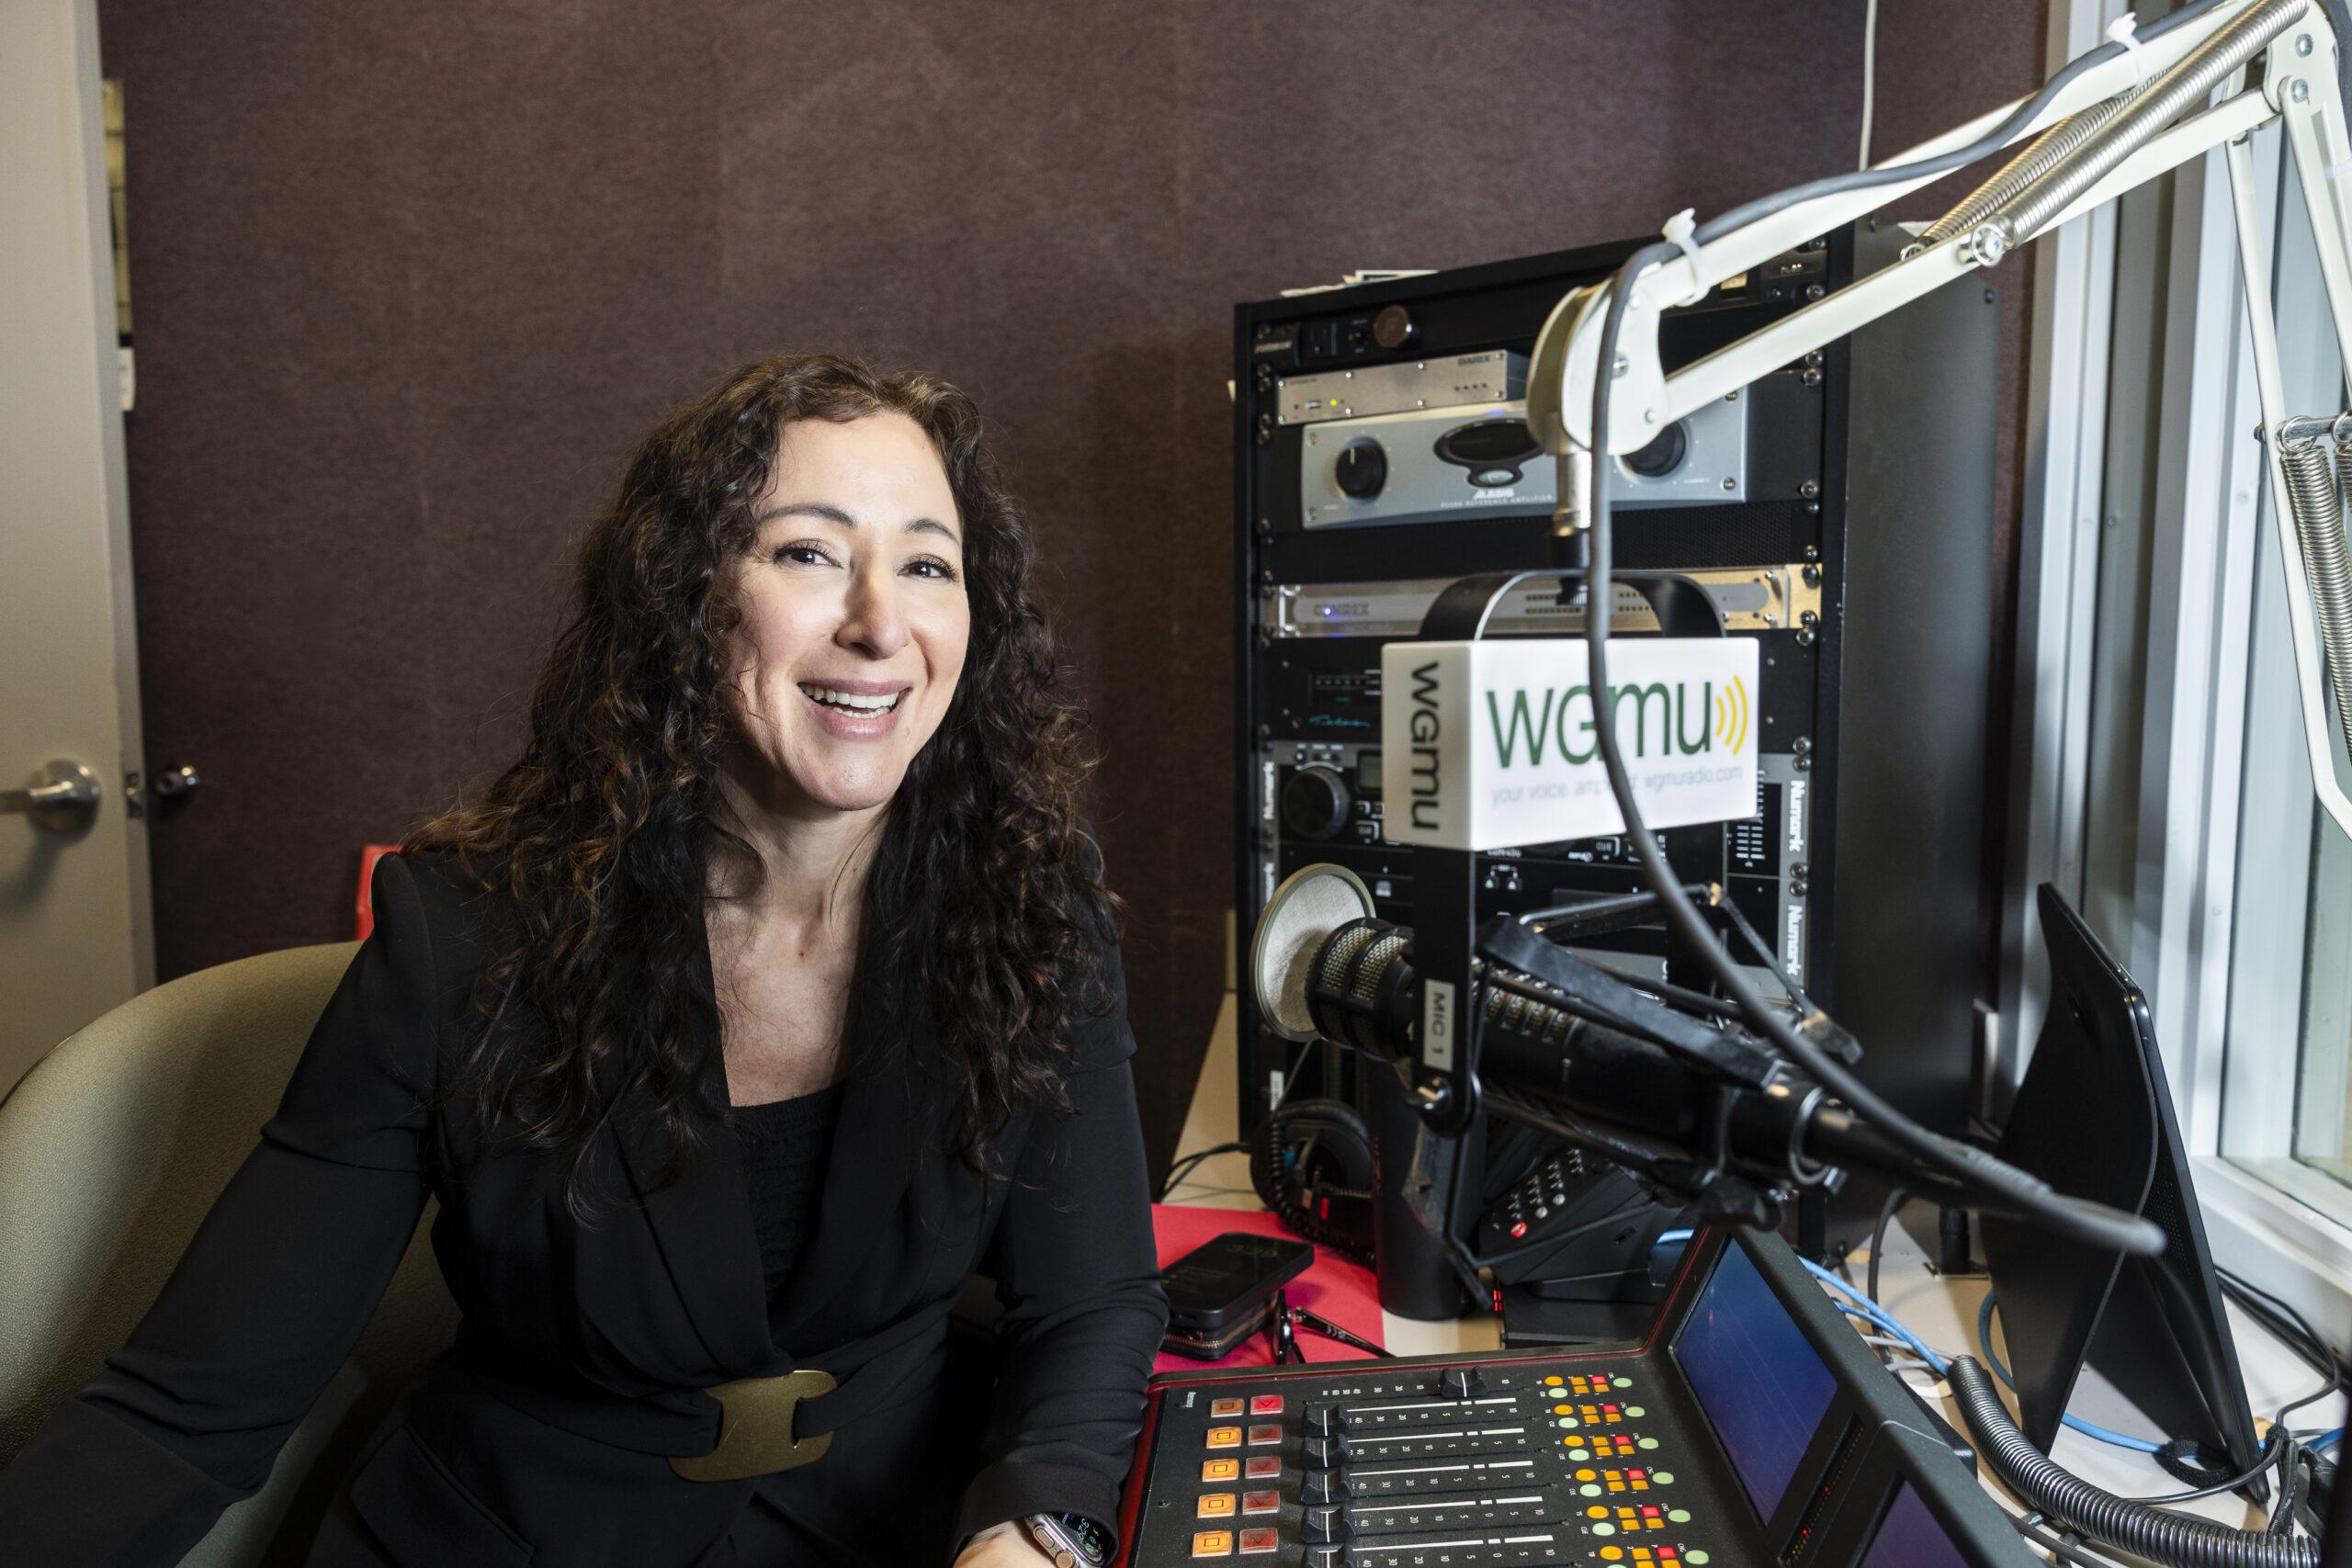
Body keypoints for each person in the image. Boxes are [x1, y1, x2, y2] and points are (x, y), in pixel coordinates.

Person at [0, 353, 1170, 1565]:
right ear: (687, 593)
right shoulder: (466, 930)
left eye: (928, 564)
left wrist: (1037, 1531)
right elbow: (191, 1410)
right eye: (809, 552)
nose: (881, 623)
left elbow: (1089, 1301)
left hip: (889, 1530)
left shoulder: (1029, 902)